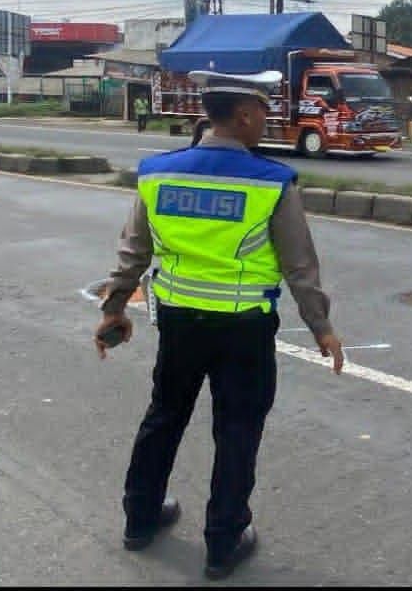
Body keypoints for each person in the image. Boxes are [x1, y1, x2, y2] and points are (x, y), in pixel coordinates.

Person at [95, 69, 345, 580]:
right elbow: (300, 264)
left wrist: (113, 309)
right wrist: (321, 328)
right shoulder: (272, 181)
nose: (266, 121)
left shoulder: (158, 173)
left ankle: (140, 520)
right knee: (237, 429)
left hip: (179, 323)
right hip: (244, 330)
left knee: (164, 415)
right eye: (264, 112)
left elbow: (132, 251)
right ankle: (223, 541)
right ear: (247, 113)